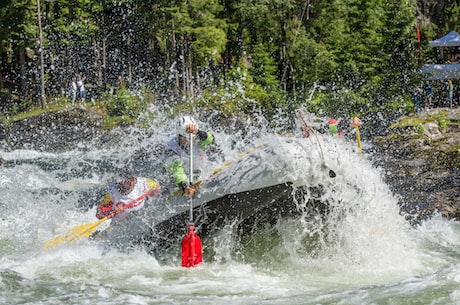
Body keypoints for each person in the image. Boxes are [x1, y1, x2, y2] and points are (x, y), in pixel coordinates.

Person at [164, 115, 214, 197]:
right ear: (179, 136)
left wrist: (198, 132)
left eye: (192, 138)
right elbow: (177, 170)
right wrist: (184, 185)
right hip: (179, 178)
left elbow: (210, 139)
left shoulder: (197, 137)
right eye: (185, 138)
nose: (189, 141)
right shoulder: (171, 148)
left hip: (199, 172)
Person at [96, 176, 161, 225]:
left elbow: (160, 191)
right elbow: (99, 215)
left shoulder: (144, 183)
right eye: (127, 181)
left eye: (132, 180)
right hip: (122, 225)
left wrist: (156, 191)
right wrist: (113, 210)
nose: (131, 184)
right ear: (120, 182)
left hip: (143, 219)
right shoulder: (111, 193)